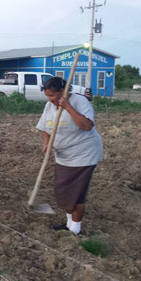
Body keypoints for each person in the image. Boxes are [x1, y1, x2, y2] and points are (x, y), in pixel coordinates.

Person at [36, 77, 102, 235]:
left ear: (63, 91)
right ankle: (69, 224)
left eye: (52, 95)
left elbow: (87, 126)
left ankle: (75, 229)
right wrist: (47, 143)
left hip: (84, 154)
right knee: (64, 190)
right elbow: (44, 128)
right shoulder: (49, 106)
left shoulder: (80, 102)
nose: (50, 99)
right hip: (64, 155)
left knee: (77, 192)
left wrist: (67, 107)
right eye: (47, 96)